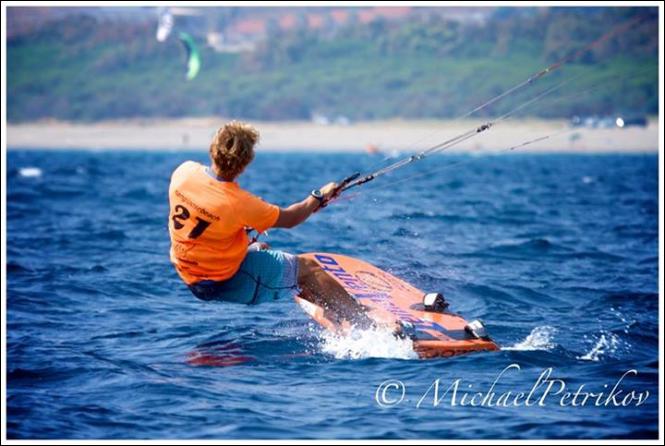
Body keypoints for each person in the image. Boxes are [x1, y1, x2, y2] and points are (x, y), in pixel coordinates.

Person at [168, 121, 376, 329]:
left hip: (188, 272)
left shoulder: (184, 172)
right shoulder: (240, 203)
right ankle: (367, 325)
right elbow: (292, 218)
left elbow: (209, 215)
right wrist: (319, 195)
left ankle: (331, 311)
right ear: (247, 161)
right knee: (308, 269)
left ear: (213, 149)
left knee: (263, 249)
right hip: (218, 283)